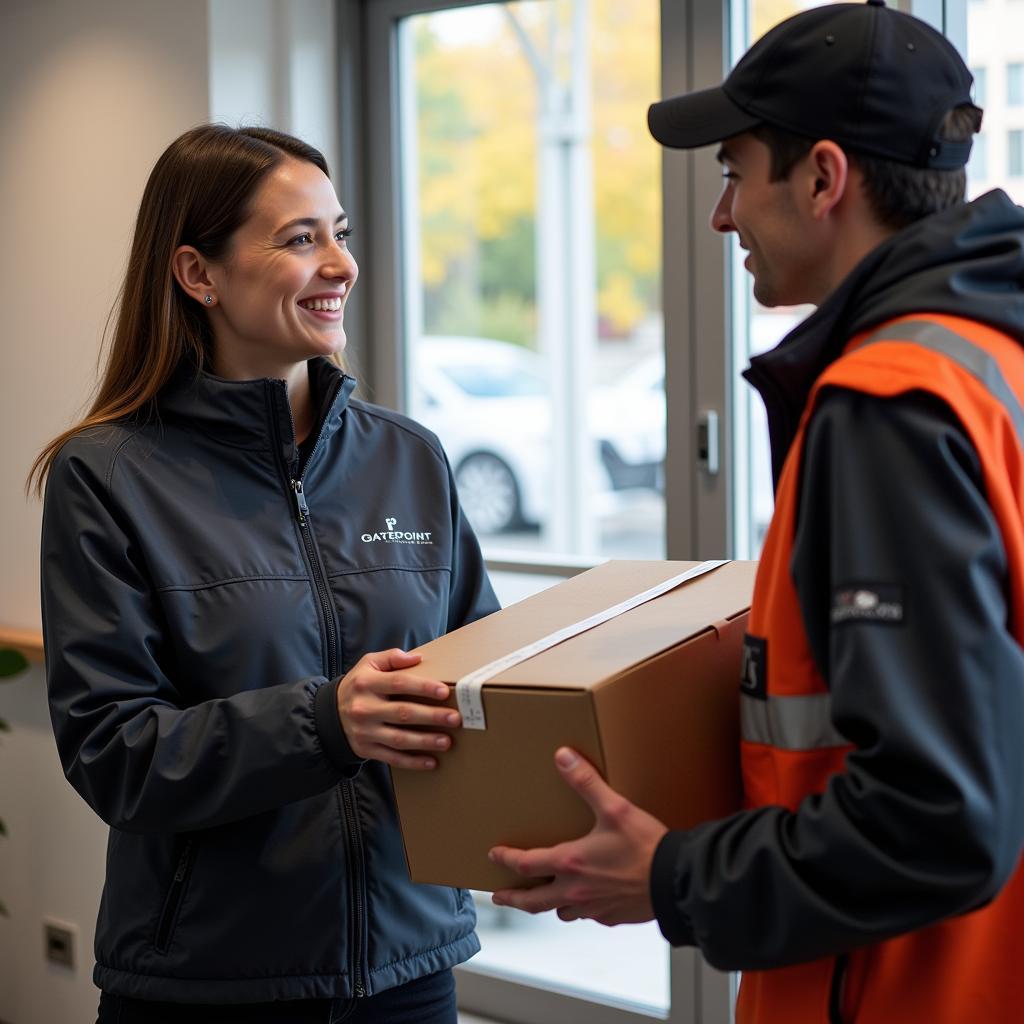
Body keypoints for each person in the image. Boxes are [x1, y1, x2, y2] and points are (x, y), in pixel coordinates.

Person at [487, 3, 1024, 1021]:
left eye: (734, 171)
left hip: (907, 989)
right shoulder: (995, 360)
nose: (720, 215)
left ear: (823, 177)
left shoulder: (893, 404)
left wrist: (670, 874)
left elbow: (939, 816)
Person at [33, 124, 498, 1023]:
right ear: (197, 274)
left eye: (341, 232)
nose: (341, 264)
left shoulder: (409, 458)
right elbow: (112, 754)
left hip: (410, 972)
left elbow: (481, 677)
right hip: (210, 983)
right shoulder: (108, 476)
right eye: (300, 239)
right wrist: (327, 721)